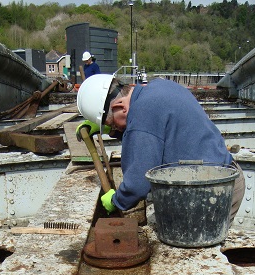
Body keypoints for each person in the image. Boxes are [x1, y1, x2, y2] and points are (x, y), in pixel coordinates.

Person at [76, 74, 245, 220]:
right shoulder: (158, 87)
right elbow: (155, 134)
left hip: (212, 193)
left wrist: (116, 200)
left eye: (112, 124)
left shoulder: (142, 114)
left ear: (120, 106)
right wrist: (110, 130)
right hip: (223, 179)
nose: (116, 128)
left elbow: (137, 184)